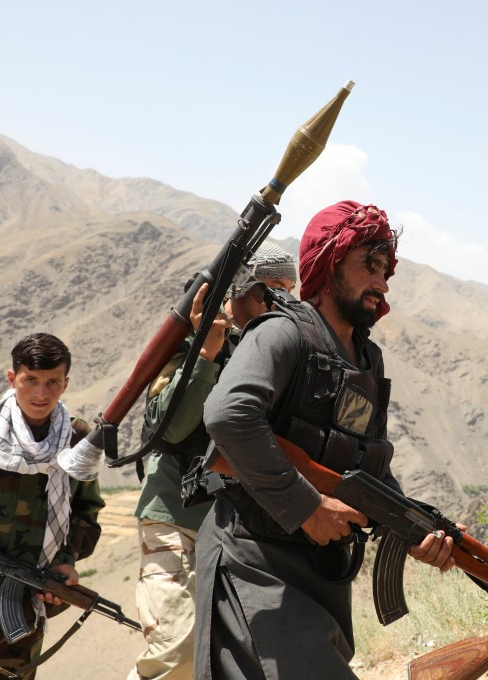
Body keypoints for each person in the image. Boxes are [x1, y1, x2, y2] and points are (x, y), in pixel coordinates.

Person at [193, 201, 456, 679]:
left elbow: (364, 462)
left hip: (323, 571)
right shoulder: (281, 334)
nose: (382, 283)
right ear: (330, 263)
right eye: (369, 266)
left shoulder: (366, 359)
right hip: (256, 560)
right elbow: (228, 415)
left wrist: (412, 528)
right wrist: (307, 507)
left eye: (386, 269)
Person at [127, 245, 298, 680]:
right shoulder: (188, 343)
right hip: (177, 520)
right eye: (269, 291)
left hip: (239, 529)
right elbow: (172, 428)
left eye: (289, 291)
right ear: (237, 291)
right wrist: (206, 355)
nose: (282, 303)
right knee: (176, 655)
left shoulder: (274, 350)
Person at [0, 333, 104, 679]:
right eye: (31, 381)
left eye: (53, 382)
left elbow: (85, 510)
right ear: (12, 379)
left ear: (66, 383)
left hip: (21, 618)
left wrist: (64, 563)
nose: (42, 394)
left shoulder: (75, 440)